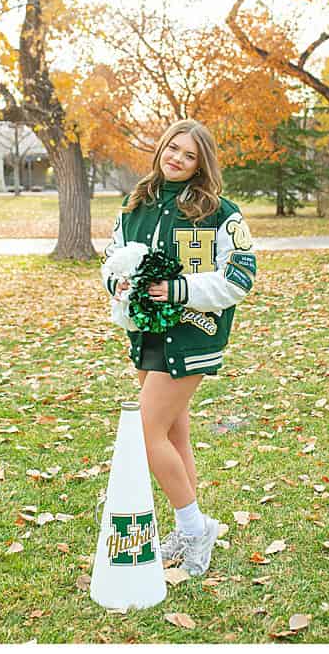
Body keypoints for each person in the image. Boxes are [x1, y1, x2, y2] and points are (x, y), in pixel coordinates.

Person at [102, 119, 257, 577]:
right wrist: (119, 283)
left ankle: (194, 529)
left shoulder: (220, 213)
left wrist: (177, 291)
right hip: (145, 334)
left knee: (144, 435)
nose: (177, 158)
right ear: (161, 148)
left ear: (200, 164)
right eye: (173, 148)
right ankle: (189, 523)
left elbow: (239, 278)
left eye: (189, 155)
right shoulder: (136, 204)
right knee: (172, 434)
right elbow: (109, 259)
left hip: (192, 333)